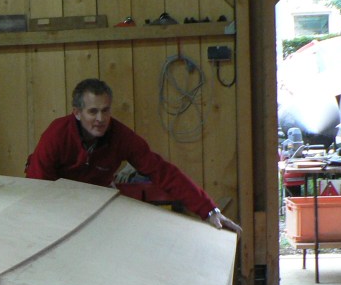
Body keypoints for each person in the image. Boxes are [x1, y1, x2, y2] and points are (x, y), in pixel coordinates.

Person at [27, 78, 241, 233]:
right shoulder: (57, 134)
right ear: (77, 113)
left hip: (96, 199)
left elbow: (161, 171)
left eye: (105, 110)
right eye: (93, 111)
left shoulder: (121, 136)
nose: (100, 119)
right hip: (57, 200)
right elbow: (37, 183)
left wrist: (209, 210)